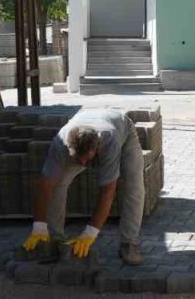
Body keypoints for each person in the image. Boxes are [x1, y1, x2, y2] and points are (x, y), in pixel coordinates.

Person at [20, 109, 145, 265]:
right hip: (86, 130)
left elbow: (107, 190)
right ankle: (54, 240)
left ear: (96, 148)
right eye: (79, 160)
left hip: (123, 131)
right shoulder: (60, 143)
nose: (84, 165)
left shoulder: (109, 141)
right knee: (58, 183)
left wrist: (89, 234)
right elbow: (45, 183)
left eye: (87, 159)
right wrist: (39, 226)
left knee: (134, 185)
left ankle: (129, 242)